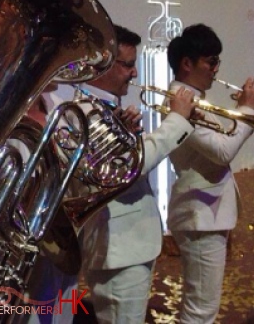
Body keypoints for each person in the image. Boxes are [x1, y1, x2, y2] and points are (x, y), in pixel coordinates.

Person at [43, 24, 196, 324]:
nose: (135, 73)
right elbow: (127, 171)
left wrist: (126, 134)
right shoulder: (79, 110)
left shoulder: (101, 108)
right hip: (118, 247)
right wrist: (176, 120)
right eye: (128, 65)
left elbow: (117, 165)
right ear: (102, 64)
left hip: (127, 246)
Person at [166, 23, 254, 323]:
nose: (216, 69)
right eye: (211, 61)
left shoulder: (191, 97)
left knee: (203, 308)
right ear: (187, 63)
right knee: (200, 312)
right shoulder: (180, 100)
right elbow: (222, 152)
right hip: (199, 214)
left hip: (206, 213)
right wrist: (248, 111)